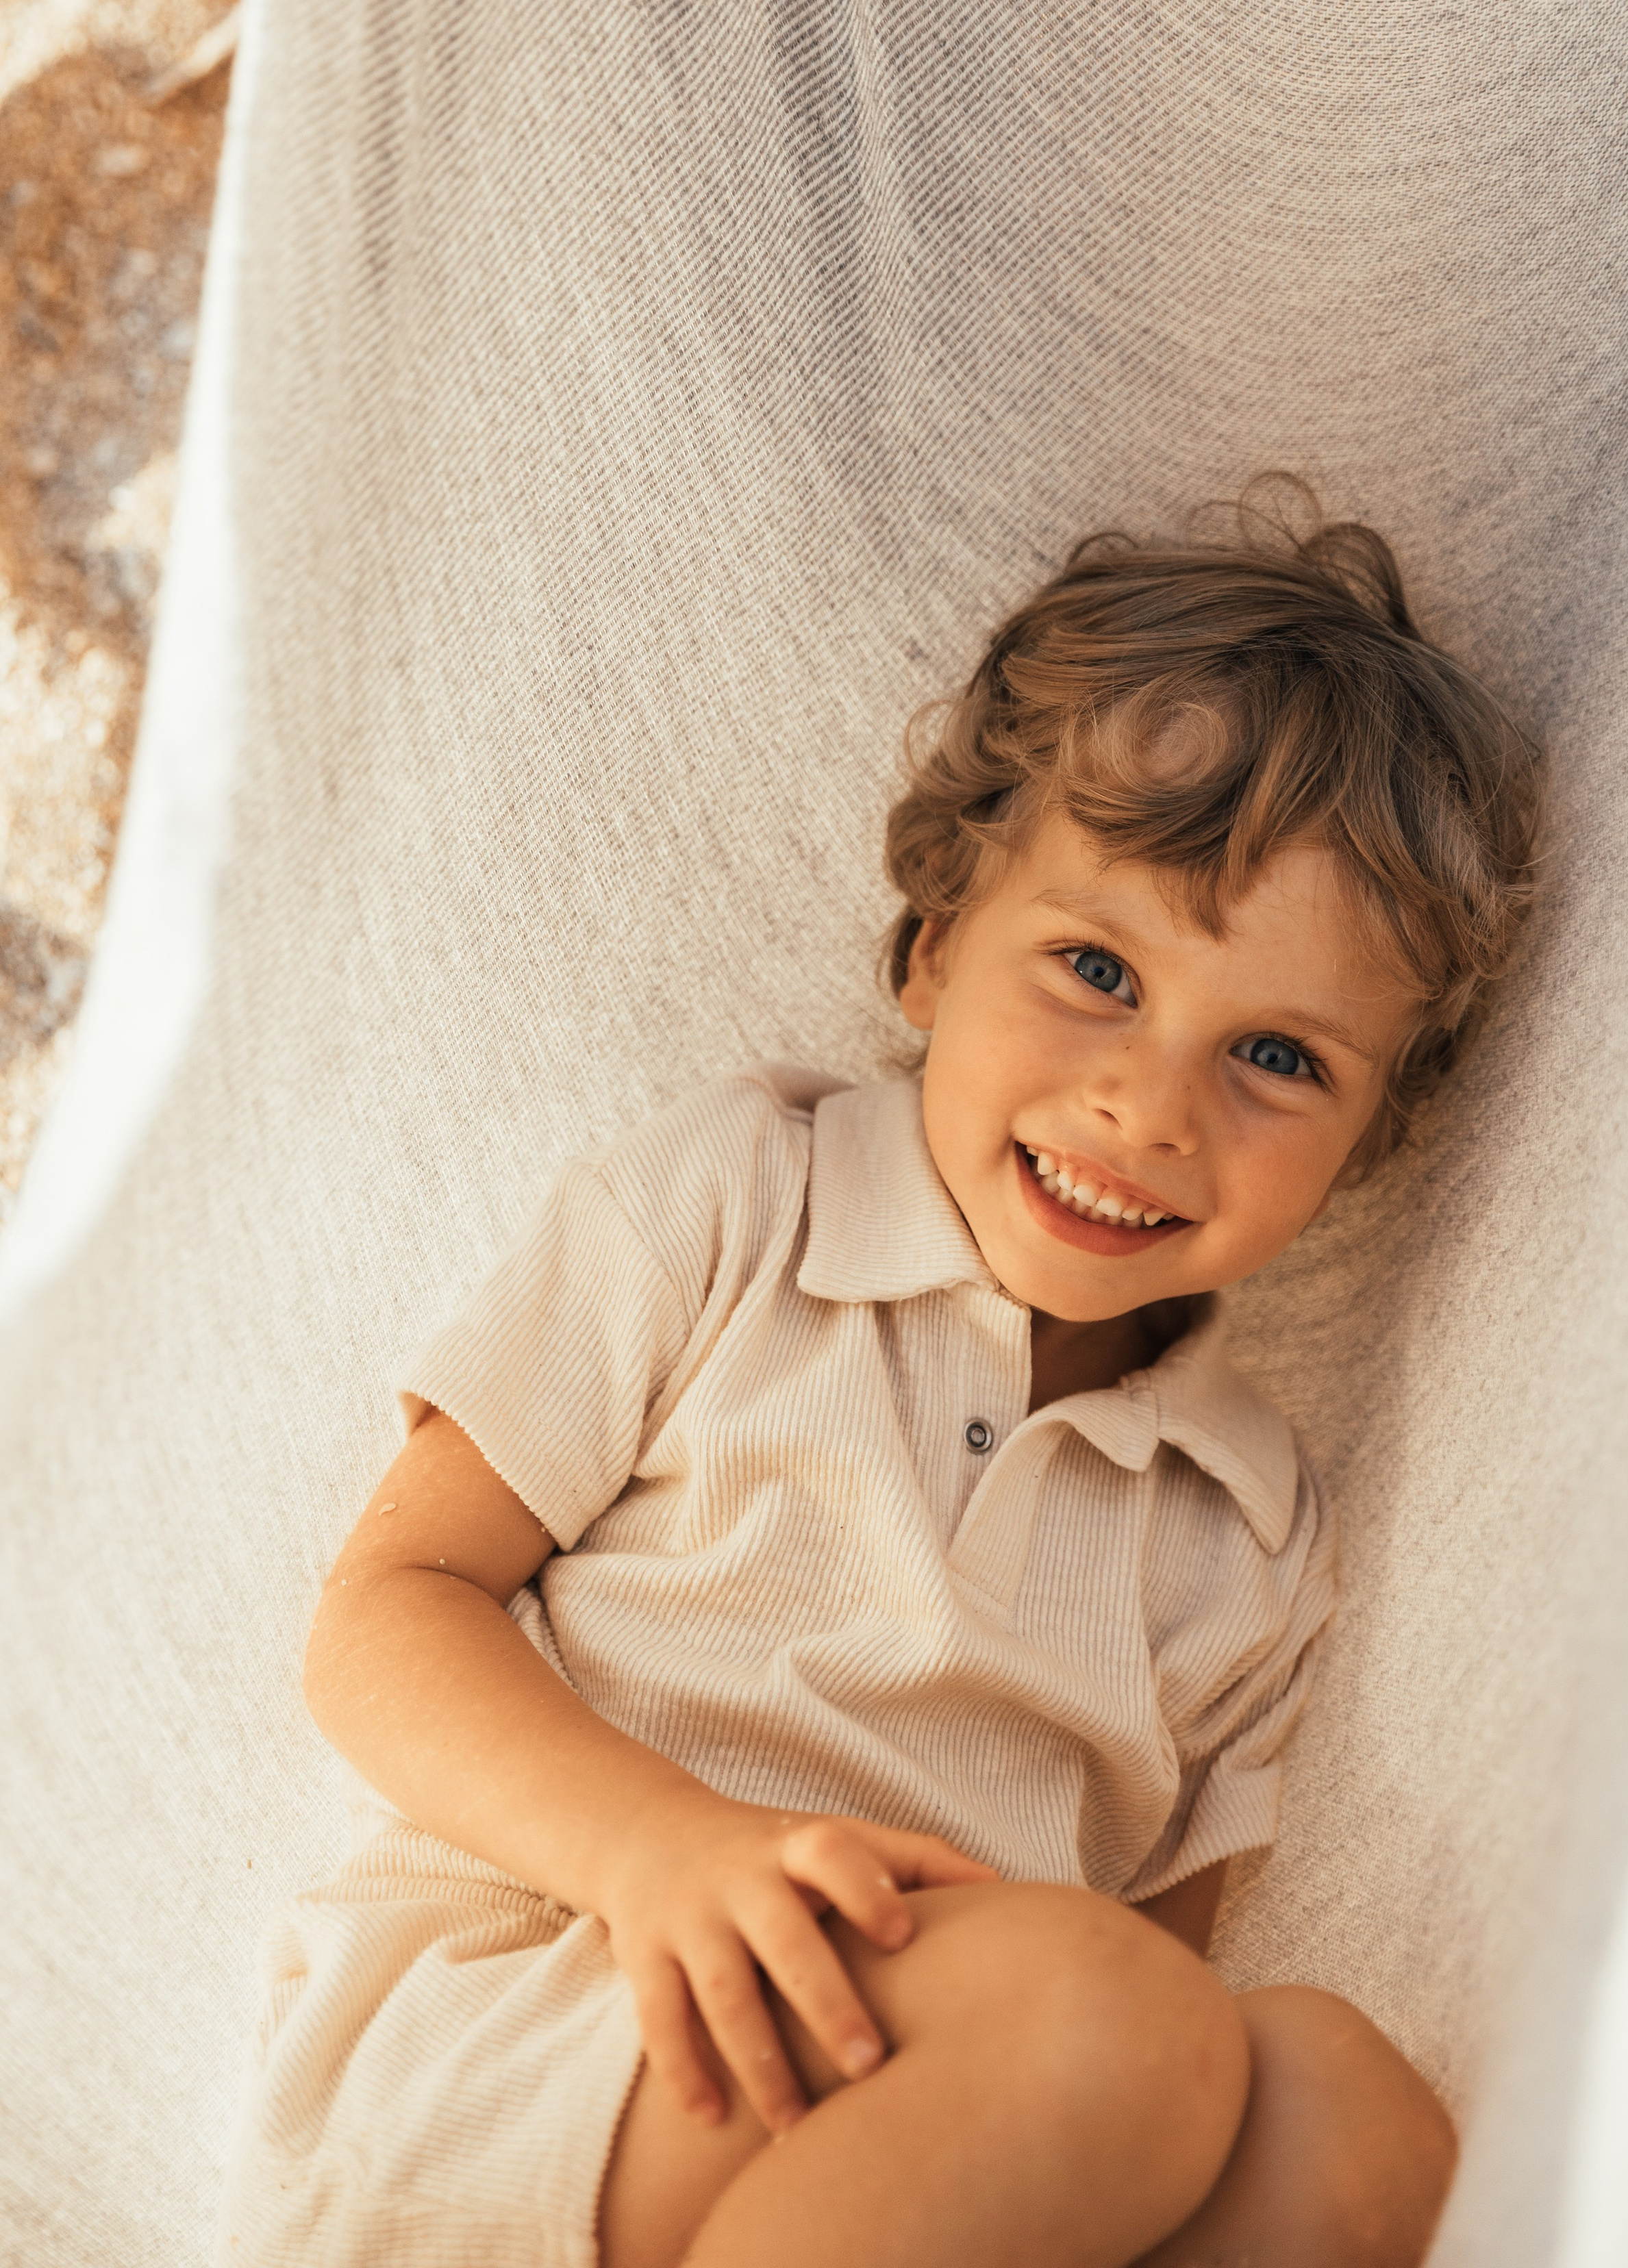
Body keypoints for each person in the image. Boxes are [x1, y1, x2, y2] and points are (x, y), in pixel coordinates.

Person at [221, 505, 1540, 2268]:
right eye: (1096, 972)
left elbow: (1158, 2010)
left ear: (1367, 1141)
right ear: (930, 948)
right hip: (553, 2017)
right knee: (1114, 2026)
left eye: (1275, 1059)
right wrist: (658, 1851)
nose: (1148, 1109)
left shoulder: (1249, 1523)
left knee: (1341, 2109)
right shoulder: (738, 1204)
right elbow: (383, 1609)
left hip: (942, 2127)